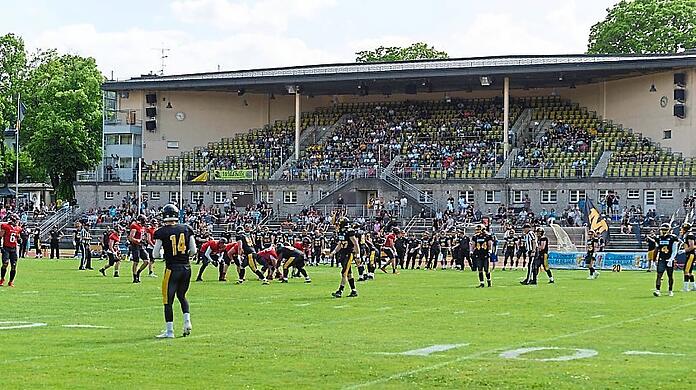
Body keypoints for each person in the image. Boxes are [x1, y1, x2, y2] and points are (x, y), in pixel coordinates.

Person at [152, 204, 197, 338]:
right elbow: (193, 251)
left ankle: (170, 331)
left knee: (168, 300)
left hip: (172, 269)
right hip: (186, 267)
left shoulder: (162, 231)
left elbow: (155, 254)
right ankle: (187, 322)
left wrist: (164, 255)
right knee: (182, 296)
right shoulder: (186, 228)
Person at [330, 217, 360, 298]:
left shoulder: (349, 231)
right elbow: (340, 244)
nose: (338, 224)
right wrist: (334, 252)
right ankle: (354, 291)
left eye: (339, 223)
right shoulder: (341, 231)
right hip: (342, 254)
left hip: (349, 254)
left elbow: (355, 243)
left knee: (344, 273)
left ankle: (340, 291)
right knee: (349, 274)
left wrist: (357, 254)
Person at [654, 223, 679, 297]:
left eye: (665, 230)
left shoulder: (673, 238)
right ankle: (657, 290)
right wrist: (654, 259)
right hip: (661, 258)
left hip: (669, 259)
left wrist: (671, 259)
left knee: (670, 276)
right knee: (659, 275)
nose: (664, 231)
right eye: (662, 230)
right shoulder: (658, 238)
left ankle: (670, 290)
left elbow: (675, 250)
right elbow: (657, 249)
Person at [0, 215, 22, 287]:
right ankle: (2, 279)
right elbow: (0, 236)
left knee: (14, 266)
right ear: (13, 220)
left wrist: (19, 240)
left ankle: (11, 281)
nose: (18, 222)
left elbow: (18, 238)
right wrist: (1, 247)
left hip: (13, 249)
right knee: (5, 264)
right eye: (17, 220)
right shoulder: (5, 226)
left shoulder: (18, 228)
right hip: (6, 248)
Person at [128, 215, 150, 283]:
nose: (145, 222)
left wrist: (144, 240)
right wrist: (137, 240)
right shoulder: (134, 226)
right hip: (135, 245)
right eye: (144, 220)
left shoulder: (142, 227)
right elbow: (131, 238)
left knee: (146, 261)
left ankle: (138, 272)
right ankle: (135, 277)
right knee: (136, 261)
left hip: (141, 245)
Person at [680, 223, 695, 292]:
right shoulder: (688, 235)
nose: (681, 230)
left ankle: (685, 288)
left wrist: (684, 250)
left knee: (686, 271)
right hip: (690, 254)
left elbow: (691, 246)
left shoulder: (689, 235)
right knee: (690, 271)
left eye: (682, 228)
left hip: (690, 255)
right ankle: (694, 286)